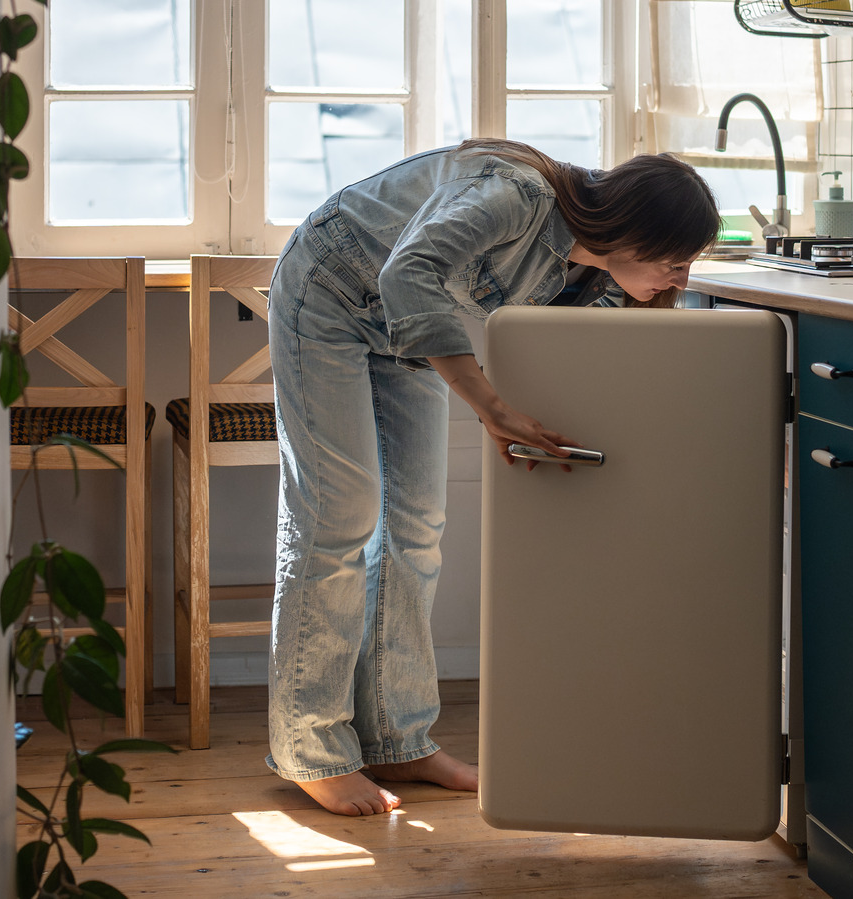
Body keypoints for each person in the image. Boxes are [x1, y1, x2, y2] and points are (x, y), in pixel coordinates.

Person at [266, 138, 720, 816]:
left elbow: (583, 358)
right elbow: (408, 273)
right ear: (633, 231)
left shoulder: (590, 276)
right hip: (331, 291)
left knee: (416, 526)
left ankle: (397, 737)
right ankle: (311, 748)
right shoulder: (518, 195)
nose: (681, 279)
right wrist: (492, 410)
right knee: (340, 517)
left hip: (403, 334)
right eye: (674, 260)